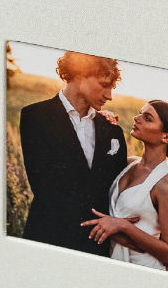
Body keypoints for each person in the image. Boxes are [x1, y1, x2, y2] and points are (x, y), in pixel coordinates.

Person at [19, 51, 129, 255]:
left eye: (111, 88)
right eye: (104, 85)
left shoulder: (112, 130)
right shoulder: (35, 116)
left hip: (97, 245)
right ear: (79, 74)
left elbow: (118, 188)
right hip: (49, 239)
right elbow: (44, 187)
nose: (109, 96)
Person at [82, 100, 168, 273]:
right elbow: (89, 186)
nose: (137, 118)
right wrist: (101, 121)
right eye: (141, 112)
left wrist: (124, 226)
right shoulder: (128, 164)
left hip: (142, 268)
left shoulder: (164, 186)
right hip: (110, 258)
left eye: (147, 118)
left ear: (167, 137)